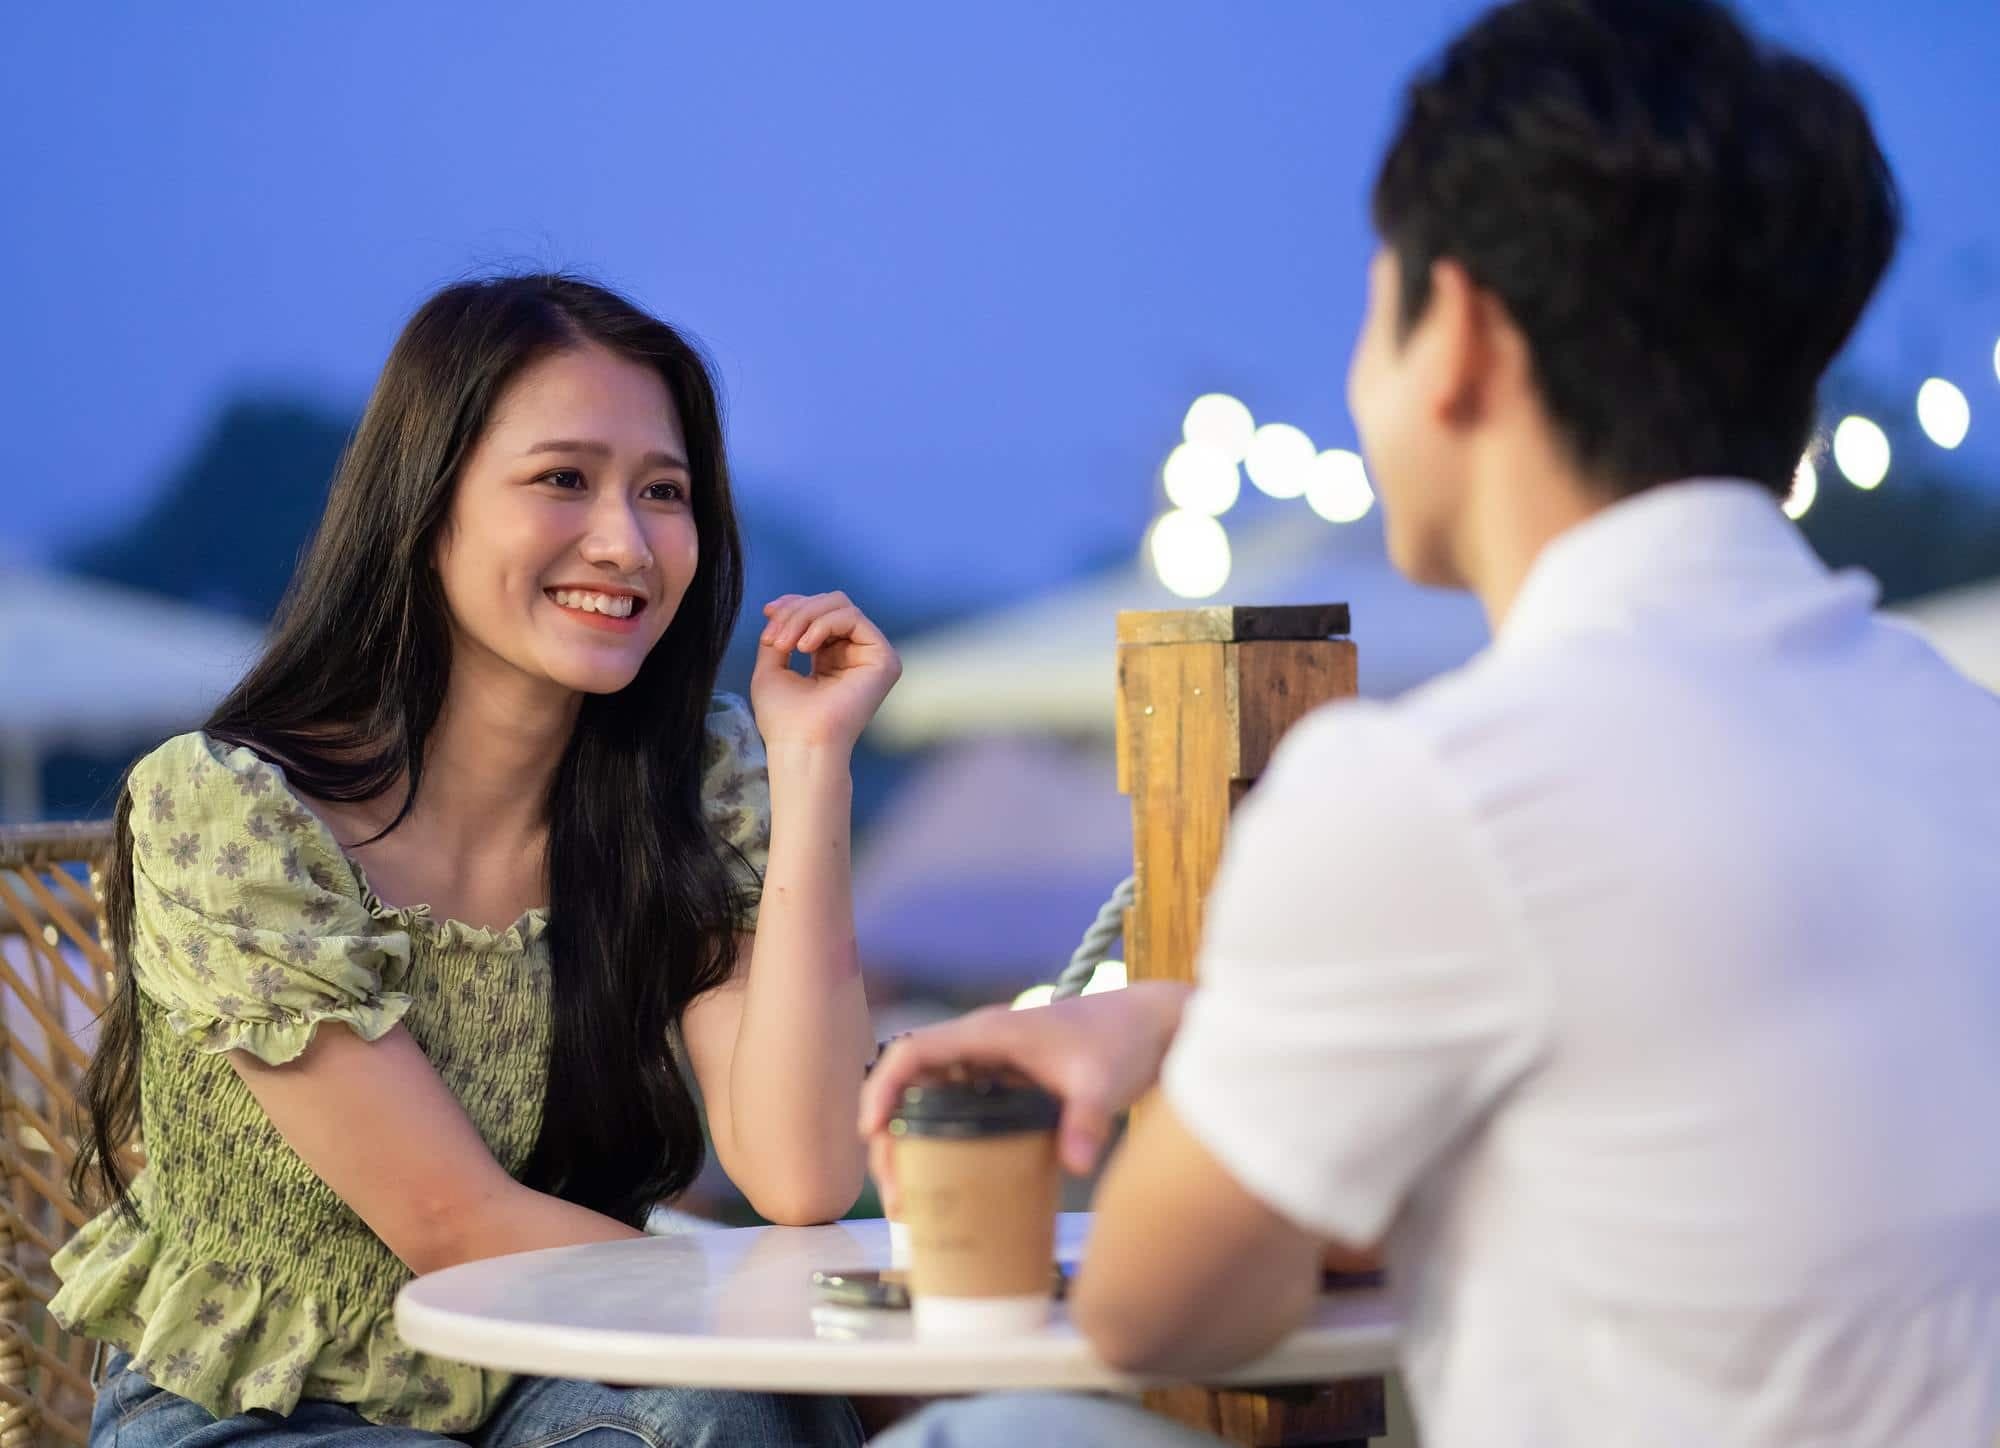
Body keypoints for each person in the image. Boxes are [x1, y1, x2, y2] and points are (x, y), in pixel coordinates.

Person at [864, 1, 2000, 1444]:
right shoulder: (1961, 736)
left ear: (1454, 330)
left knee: (990, 1435)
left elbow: (1155, 1308)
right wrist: (1173, 1020)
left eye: (1372, 307)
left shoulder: (1437, 787)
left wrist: (1193, 1054)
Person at [55, 274, 894, 1448]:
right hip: (262, 1405)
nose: (626, 541)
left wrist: (811, 765)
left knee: (731, 1409)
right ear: (427, 501)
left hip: (548, 1375)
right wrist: (790, 1312)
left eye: (664, 491)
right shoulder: (234, 809)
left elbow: (799, 1172)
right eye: (563, 479)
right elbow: (453, 1221)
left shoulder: (684, 782)